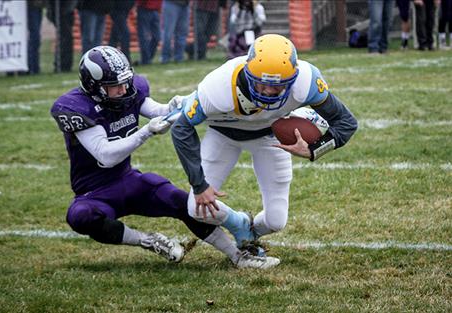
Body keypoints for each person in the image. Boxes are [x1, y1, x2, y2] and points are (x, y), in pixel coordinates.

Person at [50, 46, 278, 269]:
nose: (123, 89)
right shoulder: (76, 107)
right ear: (94, 87)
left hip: (129, 181)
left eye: (124, 82)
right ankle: (148, 241)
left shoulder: (130, 90)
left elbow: (158, 112)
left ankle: (238, 256)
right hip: (95, 192)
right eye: (114, 86)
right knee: (80, 216)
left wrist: (173, 106)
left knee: (186, 204)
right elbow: (106, 155)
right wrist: (146, 131)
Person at [171, 34, 358, 261]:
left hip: (270, 137)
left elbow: (346, 122)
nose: (269, 92)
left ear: (293, 78)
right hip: (223, 135)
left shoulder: (306, 82)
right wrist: (199, 185)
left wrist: (314, 149)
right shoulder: (220, 85)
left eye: (278, 86)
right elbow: (181, 128)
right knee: (195, 208)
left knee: (276, 221)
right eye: (262, 83)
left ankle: (251, 233)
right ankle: (238, 224)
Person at [47, 0, 77, 72]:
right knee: (64, 38)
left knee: (66, 38)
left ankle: (65, 64)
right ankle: (62, 64)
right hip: (61, 10)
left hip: (66, 10)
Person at [136, 0, 162, 65]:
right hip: (144, 9)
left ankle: (148, 58)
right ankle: (145, 60)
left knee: (157, 37)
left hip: (155, 9)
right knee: (144, 37)